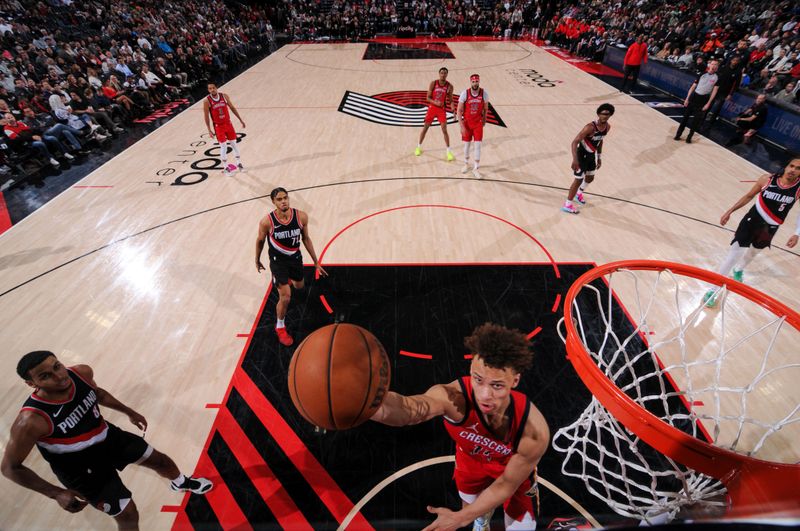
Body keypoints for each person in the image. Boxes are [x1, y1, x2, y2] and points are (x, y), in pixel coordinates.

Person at [1, 351, 212, 530]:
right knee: (128, 514)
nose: (59, 376)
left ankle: (180, 482)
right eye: (46, 376)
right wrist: (55, 493)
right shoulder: (30, 421)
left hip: (108, 437)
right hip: (79, 467)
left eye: (57, 366)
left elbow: (98, 394)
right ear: (32, 384)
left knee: (161, 461)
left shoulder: (81, 373)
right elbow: (10, 468)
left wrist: (129, 411)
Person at [371, 323, 549, 531]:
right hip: (471, 459)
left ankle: (478, 516)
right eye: (478, 379)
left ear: (515, 380)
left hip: (510, 468)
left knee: (522, 527)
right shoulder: (455, 398)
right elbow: (411, 409)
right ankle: (481, 521)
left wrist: (460, 518)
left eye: (497, 385)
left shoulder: (533, 431)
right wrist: (371, 404)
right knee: (473, 508)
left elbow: (506, 484)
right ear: (471, 370)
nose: (484, 395)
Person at [704, 157, 800, 307]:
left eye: (798, 168)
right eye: (791, 166)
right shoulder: (767, 179)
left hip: (771, 226)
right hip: (751, 220)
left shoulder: (798, 188)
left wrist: (797, 233)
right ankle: (713, 290)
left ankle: (739, 270)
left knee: (754, 252)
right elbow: (749, 196)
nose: (793, 170)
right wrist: (730, 211)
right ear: (786, 166)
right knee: (734, 255)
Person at [255, 187, 327, 346]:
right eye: (279, 199)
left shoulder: (301, 216)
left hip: (295, 258)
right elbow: (260, 241)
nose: (283, 201)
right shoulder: (267, 222)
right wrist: (257, 259)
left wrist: (315, 262)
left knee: (299, 286)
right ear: (273, 202)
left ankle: (286, 285)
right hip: (277, 261)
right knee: (286, 297)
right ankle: (280, 326)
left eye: (285, 198)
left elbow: (306, 239)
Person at [562, 103, 614, 214]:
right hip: (581, 155)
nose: (605, 116)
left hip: (591, 155)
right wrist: (575, 159)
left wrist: (599, 157)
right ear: (598, 114)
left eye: (607, 114)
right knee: (578, 180)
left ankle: (579, 194)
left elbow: (600, 141)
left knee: (590, 178)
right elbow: (574, 142)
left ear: (610, 115)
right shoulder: (590, 127)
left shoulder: (607, 127)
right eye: (603, 113)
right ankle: (567, 205)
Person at [203, 83, 245, 176]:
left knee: (234, 144)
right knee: (224, 146)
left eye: (213, 88)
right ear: (208, 90)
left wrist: (240, 119)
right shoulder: (207, 101)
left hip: (228, 124)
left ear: (216, 88)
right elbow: (206, 116)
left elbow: (232, 108)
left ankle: (239, 163)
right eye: (210, 89)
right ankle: (226, 167)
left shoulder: (224, 96)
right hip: (218, 126)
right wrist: (209, 130)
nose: (212, 90)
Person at [674, 60, 719, 143]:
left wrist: (708, 103)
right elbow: (693, 87)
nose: (714, 66)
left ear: (717, 67)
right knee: (685, 118)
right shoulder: (702, 74)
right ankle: (678, 134)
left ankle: (689, 137)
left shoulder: (717, 78)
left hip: (703, 100)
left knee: (696, 121)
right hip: (694, 97)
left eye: (716, 65)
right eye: (712, 64)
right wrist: (687, 98)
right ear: (709, 65)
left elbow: (714, 92)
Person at [415, 67, 455, 162]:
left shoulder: (449, 86)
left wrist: (453, 108)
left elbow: (451, 100)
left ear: (447, 74)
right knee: (425, 128)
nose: (443, 74)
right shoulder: (433, 83)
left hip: (441, 110)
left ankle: (448, 152)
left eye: (445, 73)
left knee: (444, 130)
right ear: (439, 73)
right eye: (441, 73)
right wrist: (436, 103)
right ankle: (418, 147)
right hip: (432, 108)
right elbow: (427, 98)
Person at [457, 74, 489, 179]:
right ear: (470, 82)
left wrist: (484, 120)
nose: (475, 83)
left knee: (478, 145)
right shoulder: (464, 93)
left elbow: (485, 109)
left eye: (477, 81)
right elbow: (459, 111)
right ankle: (466, 163)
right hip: (467, 123)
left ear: (479, 82)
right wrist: (461, 125)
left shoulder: (484, 93)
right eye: (473, 82)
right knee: (466, 145)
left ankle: (476, 168)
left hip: (477, 123)